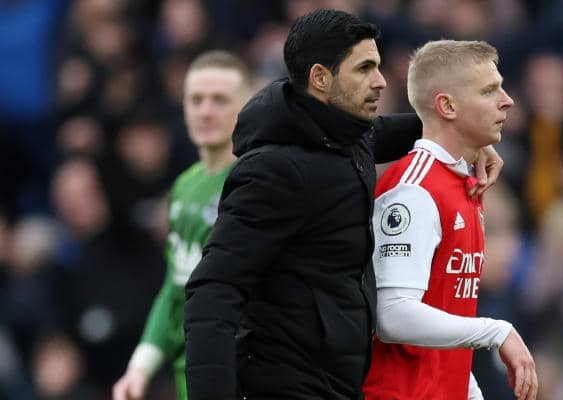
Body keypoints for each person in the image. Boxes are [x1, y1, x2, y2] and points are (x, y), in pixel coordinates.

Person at [182, 9, 504, 400]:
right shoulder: (273, 172)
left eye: (378, 66)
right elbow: (213, 291)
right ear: (321, 78)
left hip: (339, 384)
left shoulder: (345, 137)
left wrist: (465, 138)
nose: (380, 81)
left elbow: (386, 133)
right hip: (285, 385)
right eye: (364, 68)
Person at [362, 40, 537, 400]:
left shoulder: (464, 183)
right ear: (447, 106)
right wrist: (496, 331)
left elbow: (443, 314)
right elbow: (392, 315)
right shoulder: (415, 189)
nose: (507, 100)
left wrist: (468, 391)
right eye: (489, 91)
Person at [112, 50, 253, 400]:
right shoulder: (184, 186)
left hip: (236, 372)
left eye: (219, 100)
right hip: (186, 372)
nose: (205, 111)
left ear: (246, 105)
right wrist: (140, 366)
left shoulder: (256, 182)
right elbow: (174, 284)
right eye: (196, 100)